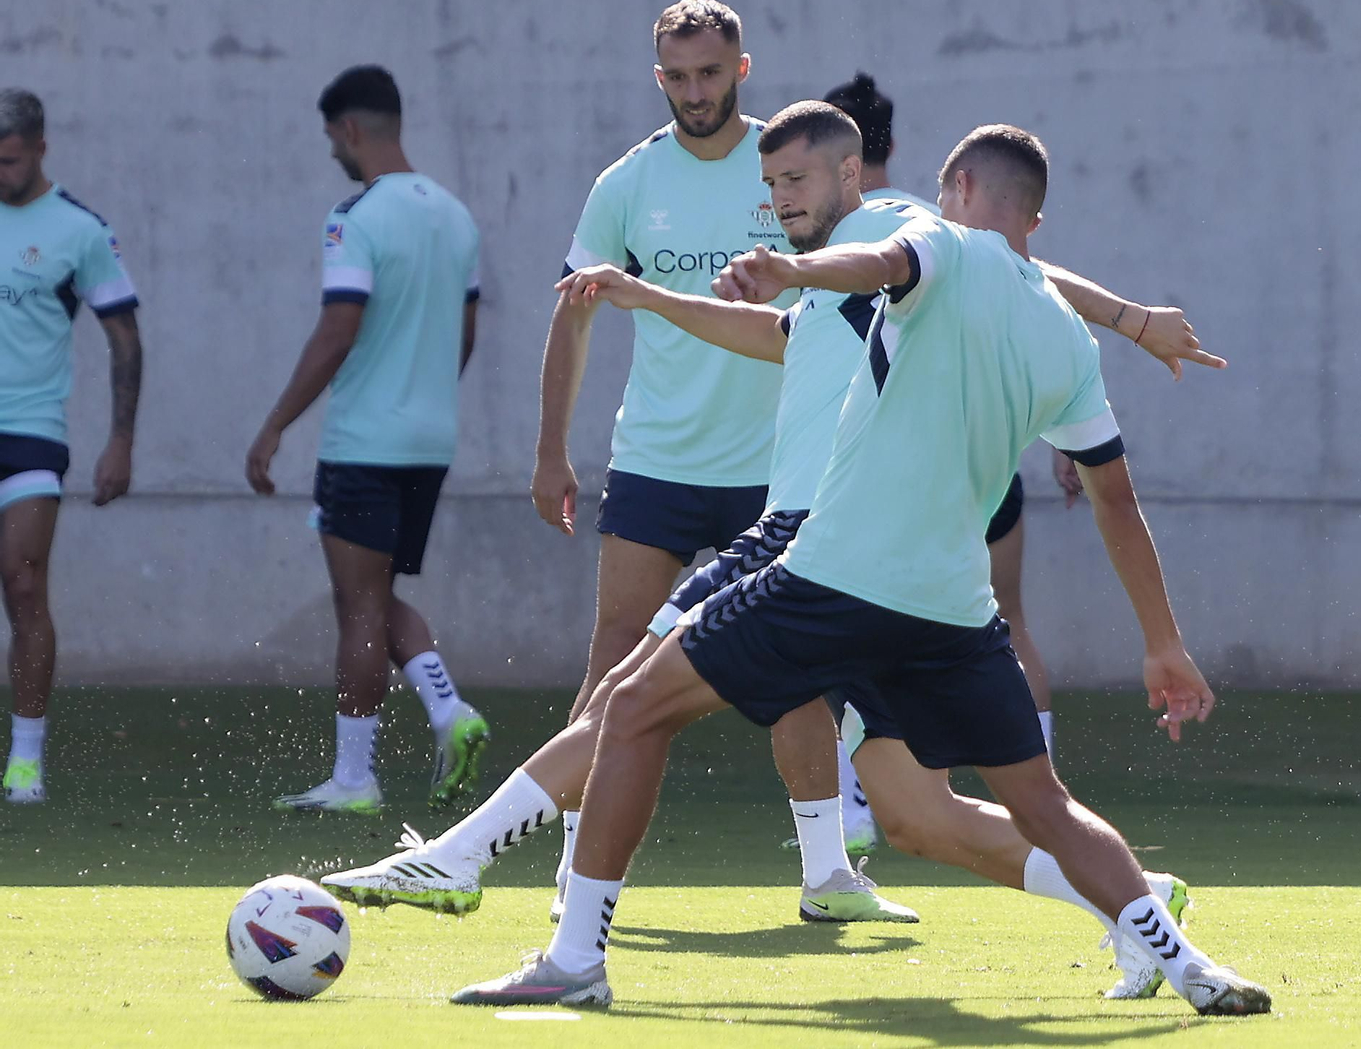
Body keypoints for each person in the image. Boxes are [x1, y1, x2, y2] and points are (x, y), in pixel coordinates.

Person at [320, 104, 1203, 996]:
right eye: (771, 183)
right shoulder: (862, 272)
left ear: (859, 173)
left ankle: (465, 861)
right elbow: (786, 336)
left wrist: (1132, 319)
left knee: (630, 698)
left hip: (815, 534)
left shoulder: (899, 230)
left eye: (795, 179)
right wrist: (649, 297)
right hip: (901, 577)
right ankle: (1134, 902)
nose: (778, 198)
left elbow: (1013, 259)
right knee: (917, 817)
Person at [527, 0, 902, 923]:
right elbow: (575, 312)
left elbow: (865, 289)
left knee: (794, 675)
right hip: (655, 459)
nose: (695, 92)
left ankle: (828, 877)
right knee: (615, 658)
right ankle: (572, 876)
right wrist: (551, 450)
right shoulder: (625, 182)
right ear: (658, 77)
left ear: (742, 68)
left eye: (710, 73)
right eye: (677, 76)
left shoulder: (788, 165)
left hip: (777, 470)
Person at [821, 72, 1223, 852]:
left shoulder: (924, 241)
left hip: (867, 553)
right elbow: (1116, 499)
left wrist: (782, 274)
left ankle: (842, 824)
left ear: (960, 188)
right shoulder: (1062, 329)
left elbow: (937, 264)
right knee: (969, 794)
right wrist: (1163, 641)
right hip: (958, 567)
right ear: (1036, 219)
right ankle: (1099, 865)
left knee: (651, 693)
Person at [245, 65, 488, 814]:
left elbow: (338, 327)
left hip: (363, 443)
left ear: (348, 129)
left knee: (356, 605)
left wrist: (275, 424)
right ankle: (446, 709)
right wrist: (423, 396)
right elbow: (466, 333)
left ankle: (357, 778)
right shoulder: (457, 217)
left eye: (331, 139)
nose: (332, 153)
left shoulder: (354, 217)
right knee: (377, 597)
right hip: (430, 440)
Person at [0, 89, 143, 805]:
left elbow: (125, 339)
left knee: (23, 582)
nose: (0, 173)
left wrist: (120, 441)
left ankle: (26, 758)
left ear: (40, 149)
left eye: (10, 161)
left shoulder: (80, 230)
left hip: (31, 430)